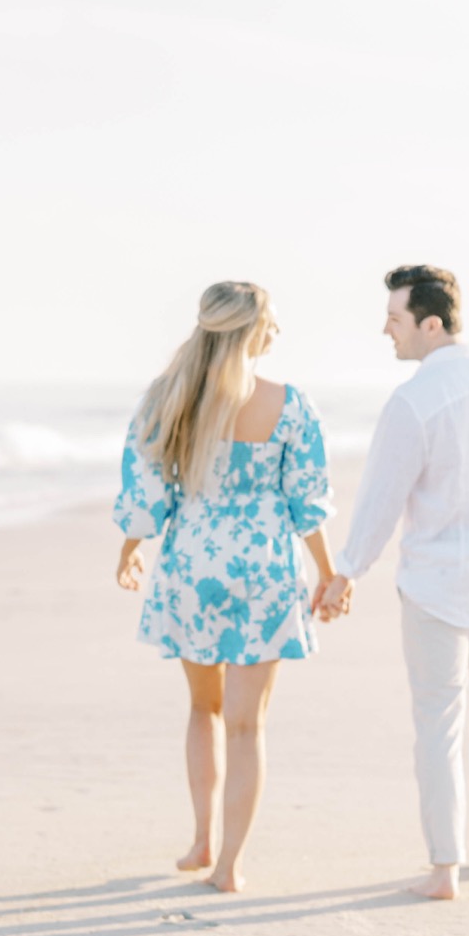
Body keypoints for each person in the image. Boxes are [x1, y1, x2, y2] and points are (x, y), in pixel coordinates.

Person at [318, 265, 469, 901]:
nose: (385, 331)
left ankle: (445, 867)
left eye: (394, 319)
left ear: (430, 323)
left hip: (436, 584)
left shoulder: (415, 400)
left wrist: (347, 571)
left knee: (439, 723)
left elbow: (381, 498)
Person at [115, 282, 340, 893]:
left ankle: (201, 838)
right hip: (264, 569)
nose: (279, 332)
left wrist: (132, 545)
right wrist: (328, 572)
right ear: (250, 329)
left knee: (202, 709)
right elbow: (307, 501)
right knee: (247, 726)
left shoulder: (168, 398)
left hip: (192, 566)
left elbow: (147, 490)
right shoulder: (291, 404)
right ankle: (229, 865)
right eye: (273, 321)